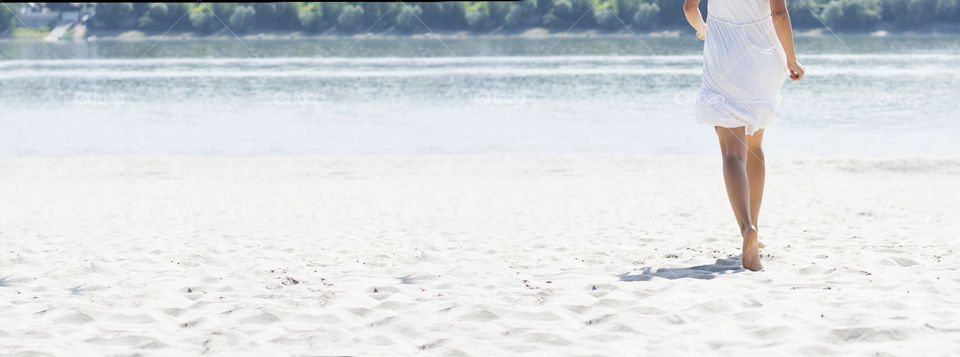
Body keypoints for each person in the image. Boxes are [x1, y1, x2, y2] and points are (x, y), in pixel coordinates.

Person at [684, 0, 805, 271]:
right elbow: (778, 13)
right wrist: (791, 58)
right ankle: (756, 228)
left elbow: (690, 8)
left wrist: (703, 29)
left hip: (723, 58)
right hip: (761, 60)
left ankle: (746, 227)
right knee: (754, 147)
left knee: (732, 153)